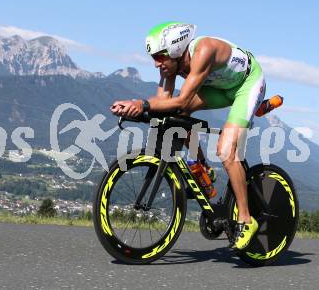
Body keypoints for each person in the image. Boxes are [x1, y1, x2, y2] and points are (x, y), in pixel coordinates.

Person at [110, 22, 265, 250]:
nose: (156, 64)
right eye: (154, 57)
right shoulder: (170, 66)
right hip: (220, 88)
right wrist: (137, 109)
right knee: (177, 114)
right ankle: (202, 167)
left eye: (160, 57)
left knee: (225, 150)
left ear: (175, 50)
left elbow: (181, 100)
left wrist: (141, 103)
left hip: (247, 85)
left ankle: (245, 219)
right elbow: (163, 103)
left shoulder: (204, 51)